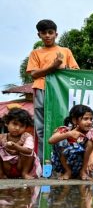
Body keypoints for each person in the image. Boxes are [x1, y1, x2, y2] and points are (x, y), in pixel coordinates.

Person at [26, 19, 79, 163]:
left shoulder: (65, 51)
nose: (47, 35)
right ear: (39, 35)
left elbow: (75, 72)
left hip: (60, 92)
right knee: (41, 128)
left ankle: (63, 162)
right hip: (41, 89)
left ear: (56, 34)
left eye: (50, 32)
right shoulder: (35, 53)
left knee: (63, 124)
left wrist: (63, 69)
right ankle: (45, 162)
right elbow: (34, 74)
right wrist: (53, 67)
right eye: (44, 33)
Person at [48, 104, 93, 180]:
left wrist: (92, 156)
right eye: (85, 119)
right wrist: (68, 134)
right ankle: (67, 171)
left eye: (91, 119)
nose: (89, 122)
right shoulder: (65, 130)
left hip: (80, 166)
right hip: (63, 167)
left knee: (91, 142)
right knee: (60, 138)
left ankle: (83, 172)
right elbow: (50, 140)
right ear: (74, 120)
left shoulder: (91, 131)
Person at [0, 108, 42, 179]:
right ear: (7, 123)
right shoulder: (1, 137)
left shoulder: (27, 136)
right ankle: (0, 174)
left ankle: (24, 173)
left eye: (21, 126)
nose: (17, 128)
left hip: (20, 166)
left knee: (30, 152)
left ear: (26, 127)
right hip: (6, 167)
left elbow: (29, 151)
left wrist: (16, 146)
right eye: (15, 124)